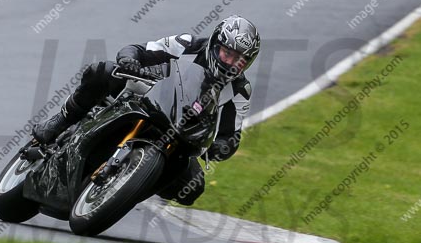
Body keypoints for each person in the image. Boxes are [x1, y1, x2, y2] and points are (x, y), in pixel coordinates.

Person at [33, 16, 261, 206]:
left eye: (239, 60)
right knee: (102, 70)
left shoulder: (241, 90)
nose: (231, 62)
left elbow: (231, 135)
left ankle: (131, 186)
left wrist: (219, 147)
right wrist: (130, 60)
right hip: (145, 94)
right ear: (215, 44)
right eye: (227, 53)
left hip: (180, 134)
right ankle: (61, 121)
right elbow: (139, 50)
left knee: (193, 187)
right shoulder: (188, 44)